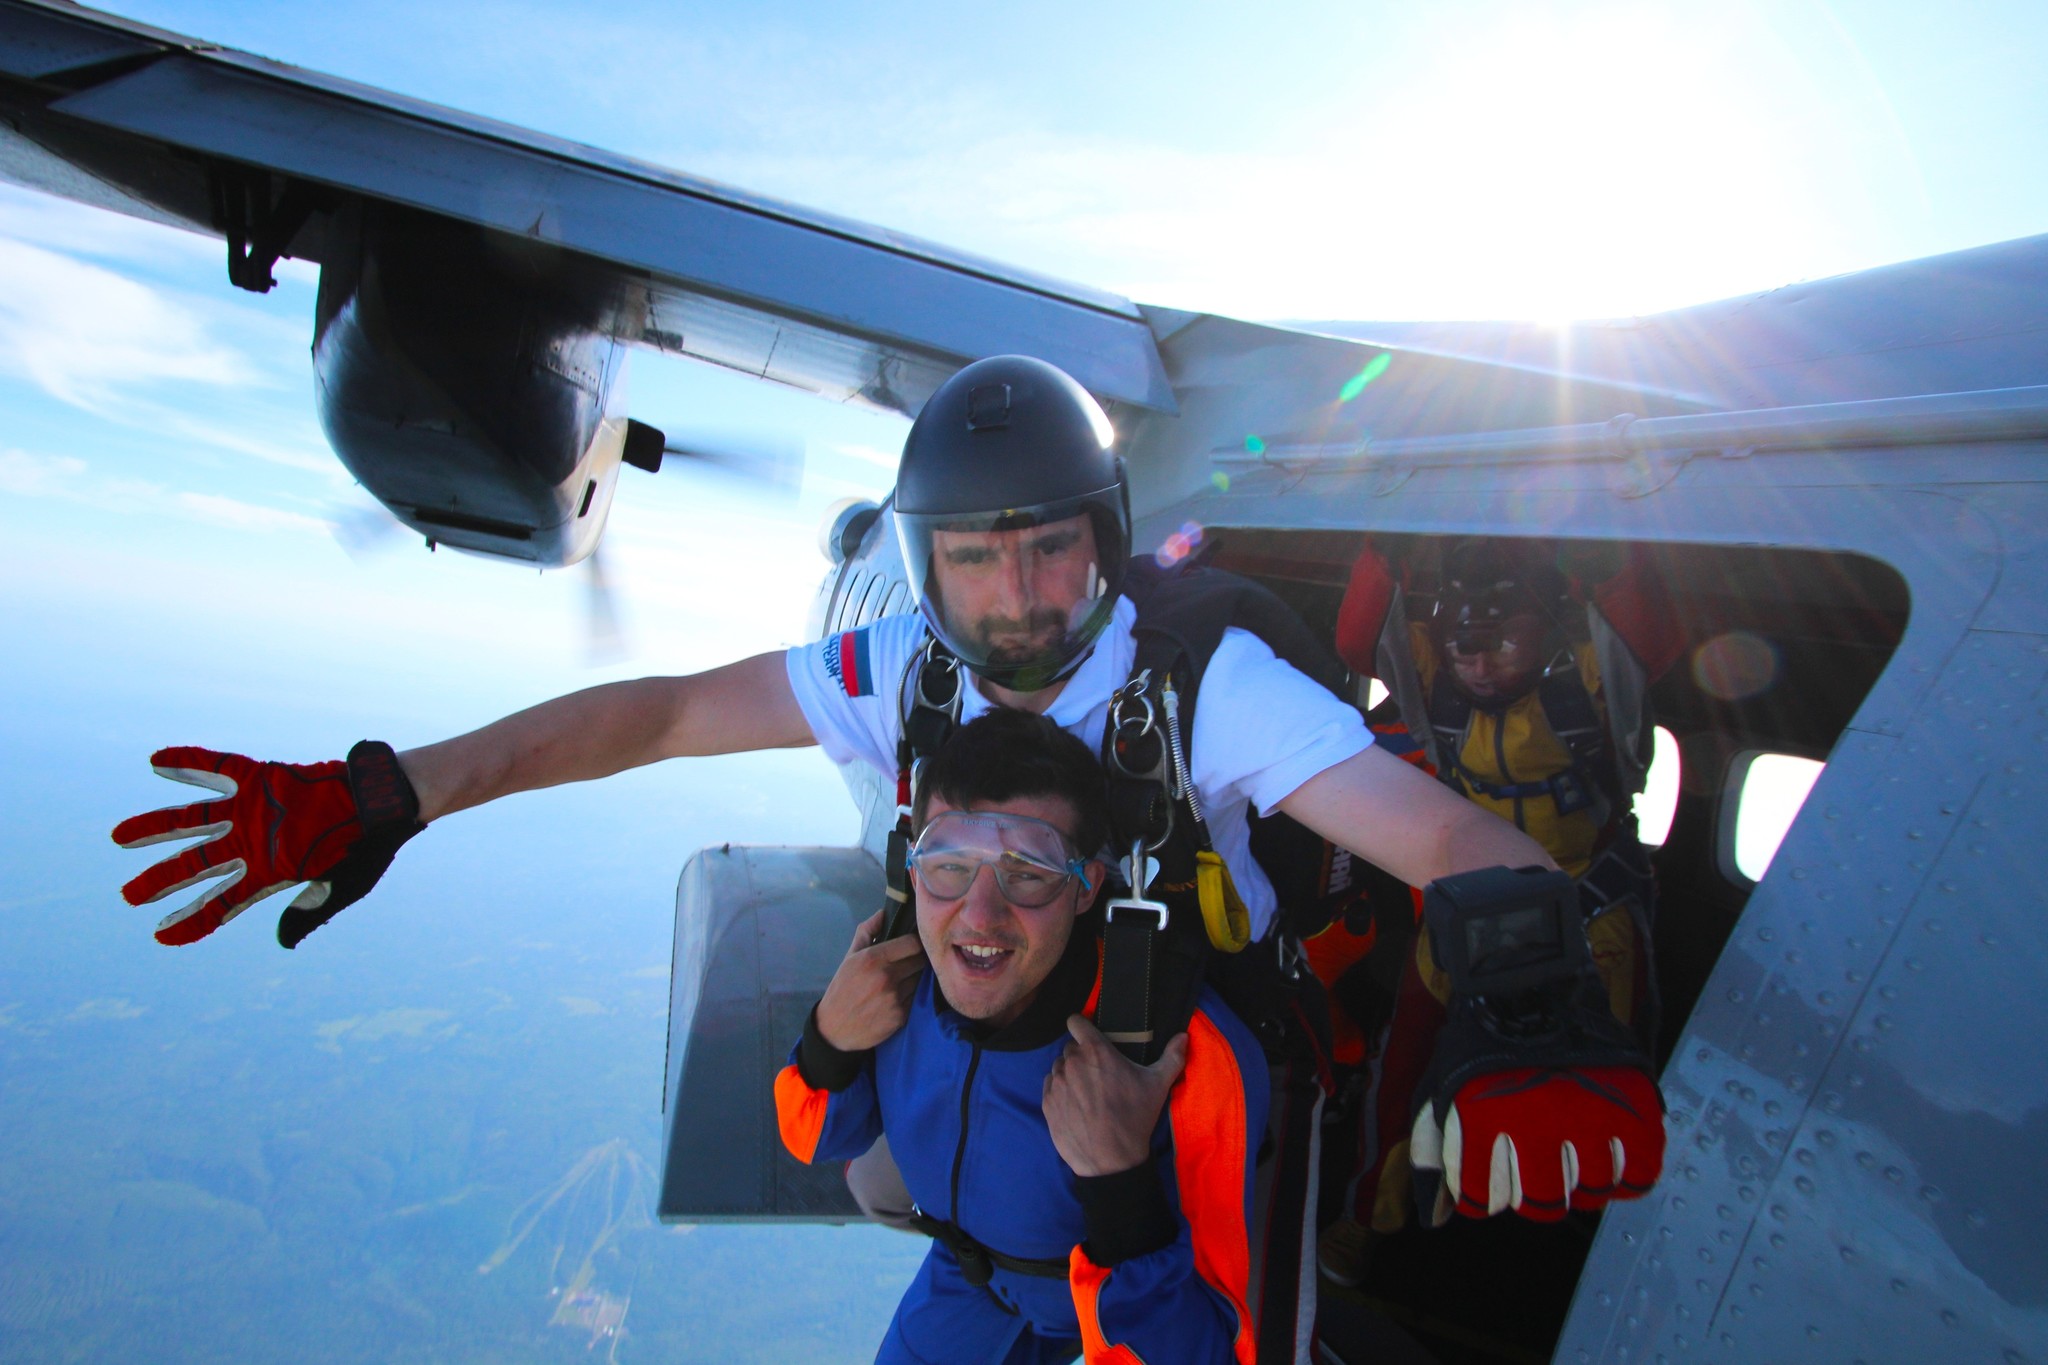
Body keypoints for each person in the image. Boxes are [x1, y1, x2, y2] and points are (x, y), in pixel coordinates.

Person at [776, 708, 1268, 1364]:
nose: (980, 915)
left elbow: (1207, 1354)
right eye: (949, 863)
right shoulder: (895, 982)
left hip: (1125, 1304)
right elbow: (816, 1136)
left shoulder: (1188, 1050)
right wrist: (828, 1040)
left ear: (1086, 887)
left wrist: (1120, 1183)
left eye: (1028, 871)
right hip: (968, 1282)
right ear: (915, 866)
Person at [1312, 536, 1681, 1283]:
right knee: (1404, 1058)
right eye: (1462, 645)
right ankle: (1367, 1212)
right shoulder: (1433, 684)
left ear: (1546, 627)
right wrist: (1389, 548)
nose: (1476, 663)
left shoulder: (1587, 680)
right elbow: (1361, 638)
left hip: (1591, 907)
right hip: (1467, 911)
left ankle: (1605, 1232)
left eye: (1500, 641)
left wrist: (1600, 547)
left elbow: (1648, 640)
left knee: (1614, 1066)